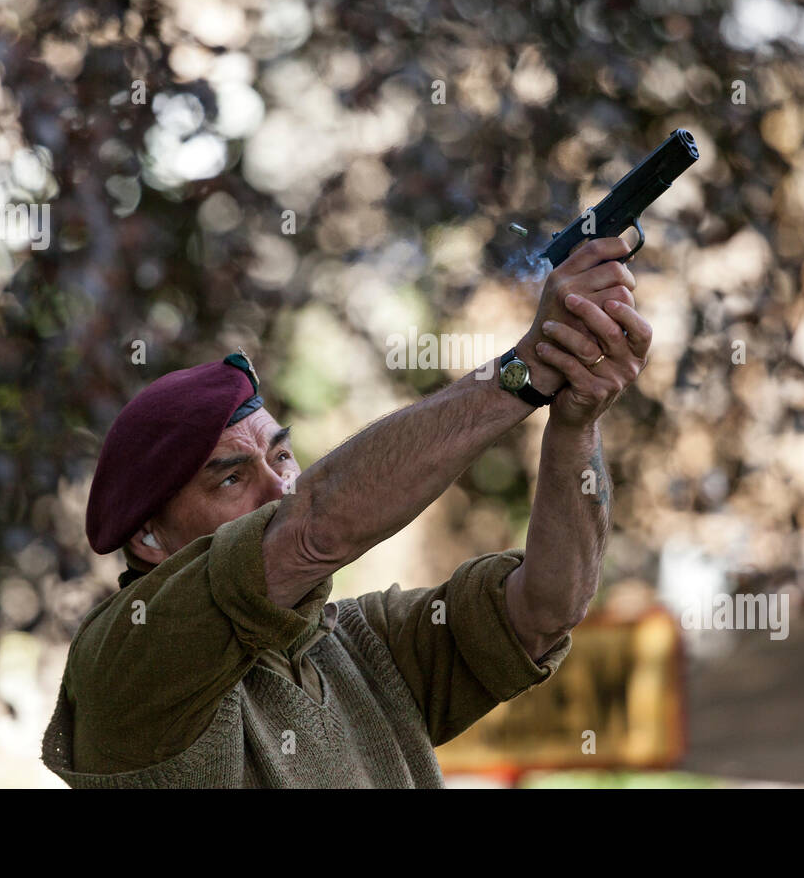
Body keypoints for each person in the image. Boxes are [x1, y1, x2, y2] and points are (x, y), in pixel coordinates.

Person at [40, 236, 652, 787]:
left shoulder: (356, 644)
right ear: (148, 537)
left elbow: (545, 612)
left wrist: (576, 418)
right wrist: (525, 370)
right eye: (230, 478)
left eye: (282, 457)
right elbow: (313, 527)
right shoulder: (130, 651)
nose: (279, 489)